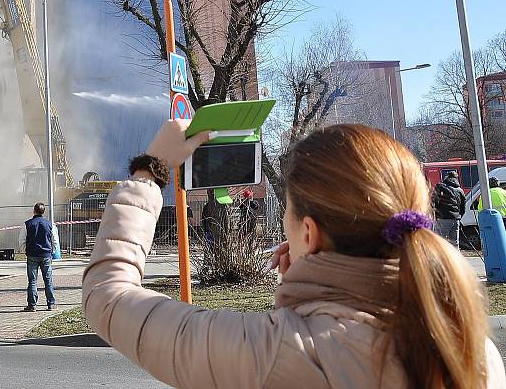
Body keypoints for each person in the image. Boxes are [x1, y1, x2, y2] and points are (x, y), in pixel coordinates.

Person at [82, 120, 505, 388]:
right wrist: (307, 292)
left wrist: (150, 170)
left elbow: (108, 296)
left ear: (308, 232)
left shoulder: (276, 353)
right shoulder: (471, 346)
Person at [19, 202, 57, 312]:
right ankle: (51, 304)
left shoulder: (27, 224)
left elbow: (22, 240)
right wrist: (52, 251)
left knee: (32, 281)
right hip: (46, 255)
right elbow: (54, 240)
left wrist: (24, 251)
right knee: (48, 280)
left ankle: (32, 305)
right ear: (43, 211)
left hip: (32, 255)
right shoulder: (50, 224)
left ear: (34, 210)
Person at [432, 170, 466, 247]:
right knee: (455, 244)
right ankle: (455, 258)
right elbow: (463, 207)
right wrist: (459, 216)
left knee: (440, 242)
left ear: (446, 177)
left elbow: (433, 202)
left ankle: (440, 258)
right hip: (455, 219)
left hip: (443, 218)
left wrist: (436, 214)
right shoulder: (460, 190)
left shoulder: (440, 187)